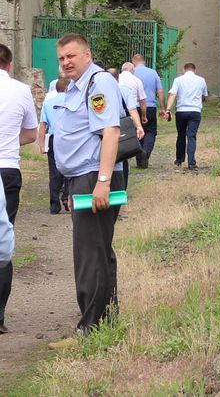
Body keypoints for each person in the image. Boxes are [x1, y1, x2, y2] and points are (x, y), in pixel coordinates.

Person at [53, 33, 124, 336]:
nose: (66, 62)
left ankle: (91, 328)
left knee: (89, 255)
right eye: (61, 58)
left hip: (95, 176)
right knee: (97, 250)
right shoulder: (76, 87)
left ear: (87, 54)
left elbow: (110, 132)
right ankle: (104, 322)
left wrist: (102, 183)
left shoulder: (98, 84)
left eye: (71, 56)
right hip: (83, 178)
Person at [0, 44, 37, 334]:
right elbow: (31, 133)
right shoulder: (22, 91)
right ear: (10, 64)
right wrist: (11, 142)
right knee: (3, 240)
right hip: (7, 168)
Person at [166, 63, 208, 172]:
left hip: (181, 111)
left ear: (184, 69)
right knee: (191, 136)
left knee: (181, 135)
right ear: (195, 70)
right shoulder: (201, 80)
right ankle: (191, 163)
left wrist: (168, 109)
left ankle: (179, 160)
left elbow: (173, 94)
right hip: (195, 111)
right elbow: (205, 95)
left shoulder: (178, 80)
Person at [37, 78, 69, 214]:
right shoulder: (71, 101)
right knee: (70, 168)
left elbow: (43, 125)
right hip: (69, 137)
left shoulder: (48, 103)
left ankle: (54, 205)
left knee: (54, 171)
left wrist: (41, 145)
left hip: (54, 138)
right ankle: (67, 197)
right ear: (67, 88)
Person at [130, 54, 163, 167]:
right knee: (150, 131)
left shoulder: (131, 73)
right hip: (150, 106)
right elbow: (160, 91)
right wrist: (162, 108)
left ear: (133, 62)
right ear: (143, 61)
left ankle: (140, 159)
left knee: (137, 131)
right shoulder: (153, 73)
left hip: (134, 107)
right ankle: (146, 152)